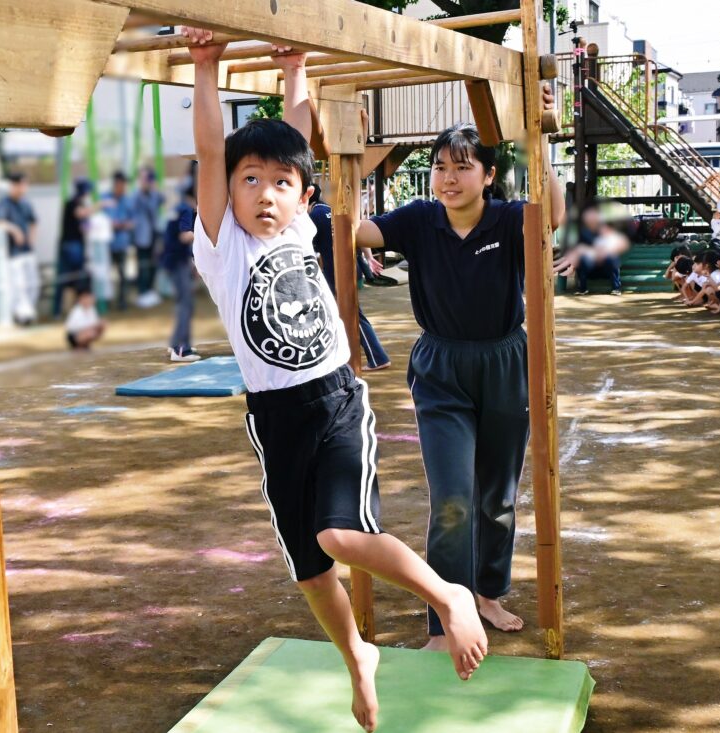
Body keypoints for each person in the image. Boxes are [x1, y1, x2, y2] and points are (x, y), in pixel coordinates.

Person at [183, 27, 487, 733]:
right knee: (310, 565)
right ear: (227, 194)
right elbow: (209, 152)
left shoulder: (295, 231)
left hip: (335, 403)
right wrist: (207, 68)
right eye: (248, 180)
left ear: (304, 197)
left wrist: (299, 75)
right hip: (275, 418)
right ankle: (358, 656)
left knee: (340, 536)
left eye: (281, 183)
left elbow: (296, 139)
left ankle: (451, 595)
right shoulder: (222, 245)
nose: (264, 194)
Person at [356, 91, 567, 649]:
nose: (448, 178)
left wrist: (538, 135)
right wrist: (351, 163)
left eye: (462, 167)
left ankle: (486, 593)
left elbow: (556, 213)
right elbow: (357, 233)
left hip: (503, 361)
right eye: (439, 167)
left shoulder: (506, 218)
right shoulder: (420, 219)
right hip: (441, 368)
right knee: (452, 497)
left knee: (496, 496)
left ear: (489, 175)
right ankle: (445, 618)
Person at [308, 185, 390, 371]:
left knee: (351, 314)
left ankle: (377, 357)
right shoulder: (335, 212)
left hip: (334, 271)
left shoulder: (313, 217)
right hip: (350, 267)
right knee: (342, 313)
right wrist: (369, 258)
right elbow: (358, 233)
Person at [0, 172, 39, 325]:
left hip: (27, 251)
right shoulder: (4, 203)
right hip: (13, 253)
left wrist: (31, 239)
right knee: (18, 285)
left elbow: (33, 221)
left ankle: (28, 312)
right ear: (14, 185)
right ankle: (22, 316)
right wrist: (14, 230)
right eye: (21, 185)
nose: (24, 188)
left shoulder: (26, 203)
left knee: (32, 283)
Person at [162, 183, 201, 362]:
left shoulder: (177, 208)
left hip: (172, 260)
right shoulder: (186, 209)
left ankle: (176, 343)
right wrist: (203, 232)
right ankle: (180, 349)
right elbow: (185, 235)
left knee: (183, 302)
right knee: (186, 303)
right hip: (178, 262)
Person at [52, 179, 92, 319]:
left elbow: (84, 226)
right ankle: (57, 311)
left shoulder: (79, 204)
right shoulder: (72, 203)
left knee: (78, 279)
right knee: (64, 279)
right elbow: (81, 214)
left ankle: (77, 309)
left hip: (77, 246)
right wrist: (101, 205)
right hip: (69, 246)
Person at [132, 167, 164, 308]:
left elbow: (164, 199)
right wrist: (144, 187)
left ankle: (150, 291)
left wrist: (154, 187)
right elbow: (143, 207)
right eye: (144, 178)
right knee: (143, 265)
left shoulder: (154, 194)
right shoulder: (137, 195)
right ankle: (142, 292)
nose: (147, 181)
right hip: (142, 237)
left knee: (153, 265)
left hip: (154, 234)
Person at [103, 172, 136, 311]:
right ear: (116, 184)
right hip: (107, 244)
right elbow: (102, 219)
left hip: (122, 243)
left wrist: (122, 225)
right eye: (122, 184)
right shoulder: (105, 199)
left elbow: (133, 221)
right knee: (106, 274)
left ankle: (122, 301)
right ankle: (106, 302)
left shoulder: (127, 200)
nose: (123, 187)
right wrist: (111, 224)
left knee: (123, 274)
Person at [64, 285, 106, 350]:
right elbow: (71, 327)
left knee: (102, 325)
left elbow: (95, 322)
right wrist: (90, 327)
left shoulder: (92, 309)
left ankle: (86, 345)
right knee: (89, 333)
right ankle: (79, 346)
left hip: (86, 331)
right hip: (74, 335)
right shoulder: (76, 311)